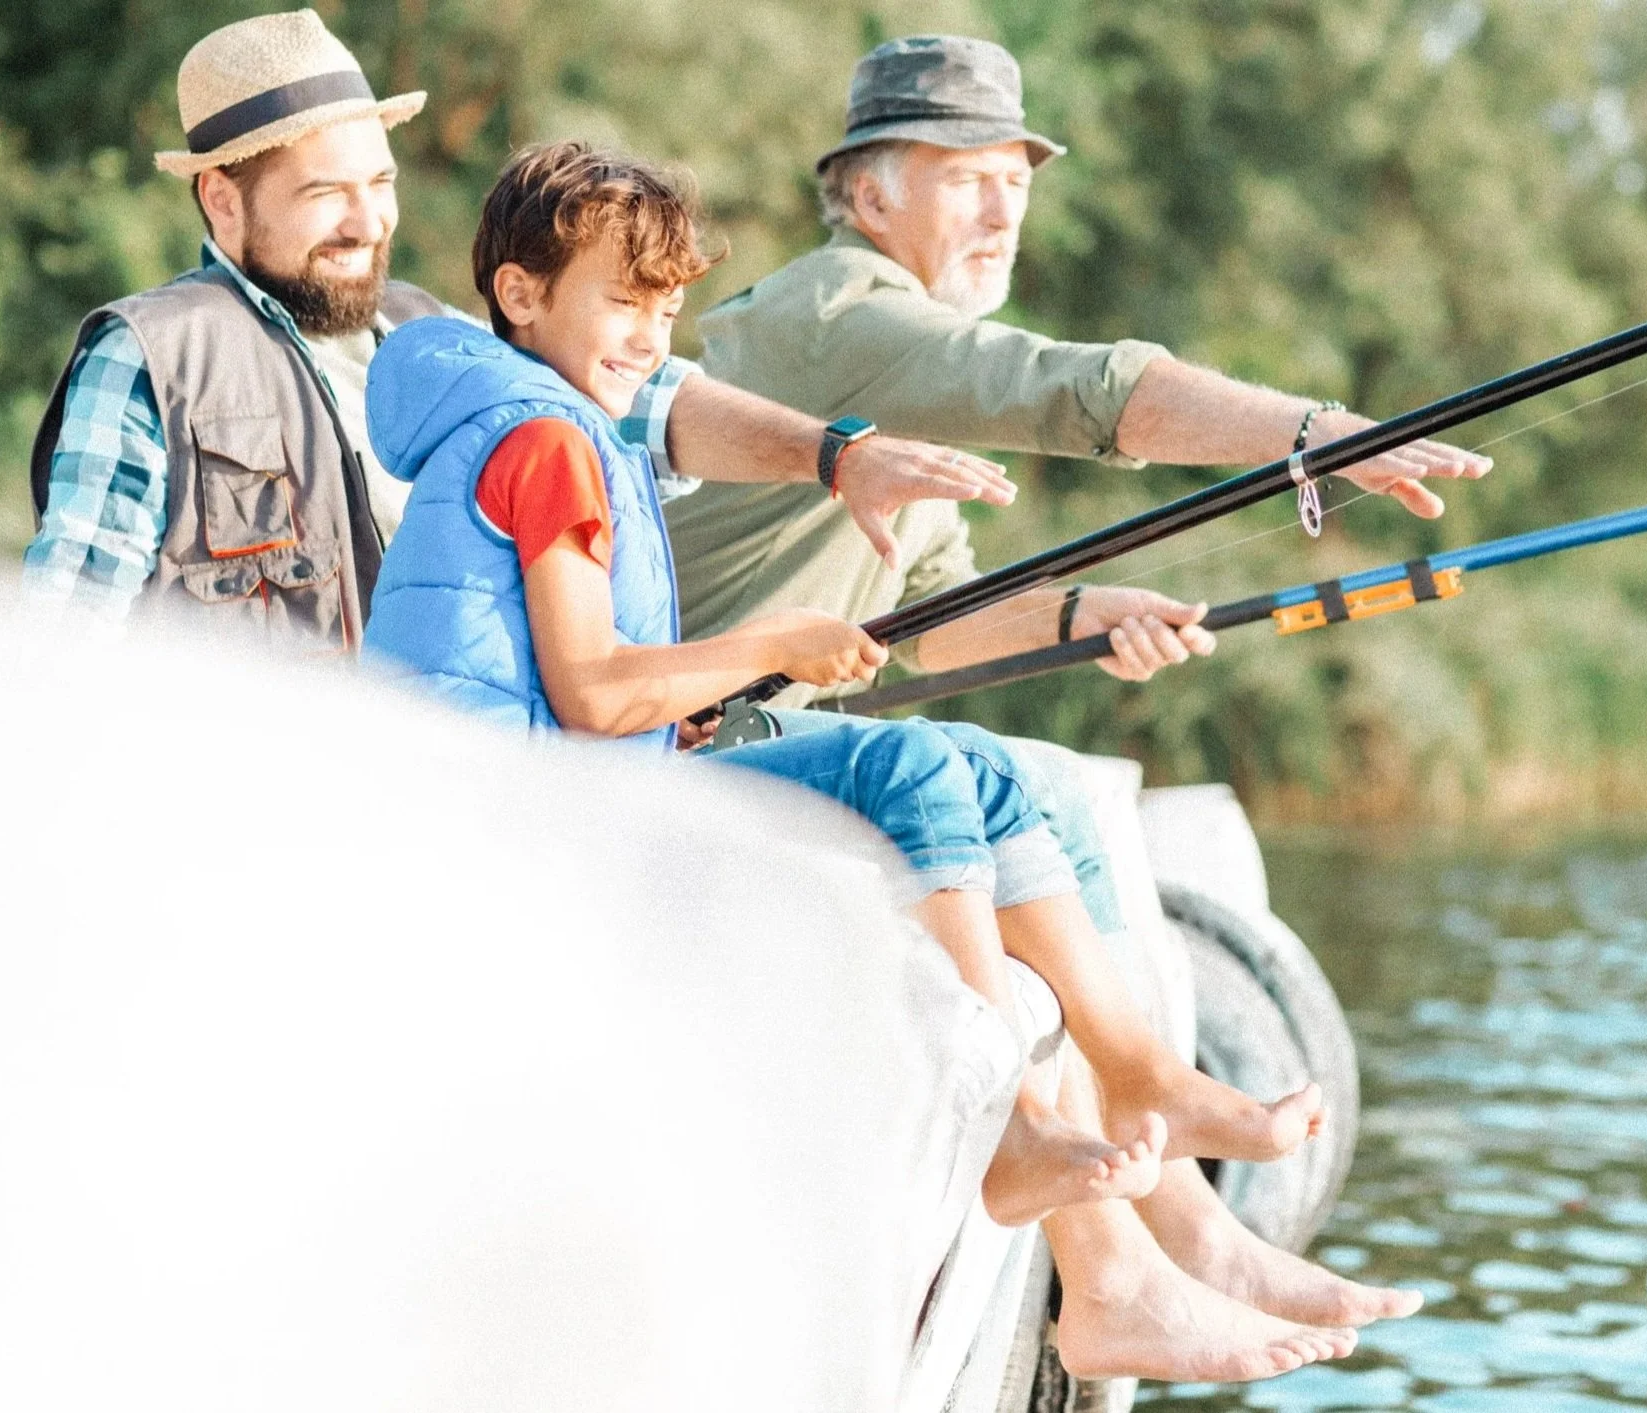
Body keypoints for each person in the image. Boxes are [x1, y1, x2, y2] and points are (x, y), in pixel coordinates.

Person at [360, 140, 1362, 1381]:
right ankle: (1016, 1120)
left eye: (666, 310)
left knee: (977, 773)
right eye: (623, 303)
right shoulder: (546, 442)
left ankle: (1141, 1069)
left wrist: (1064, 611)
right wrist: (766, 644)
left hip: (592, 766)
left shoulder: (560, 421)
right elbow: (594, 690)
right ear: (520, 297)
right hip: (549, 800)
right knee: (921, 774)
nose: (647, 340)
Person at [665, 32, 1483, 1332]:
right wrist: (1312, 435)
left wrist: (1086, 618)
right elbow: (1073, 393)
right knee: (1009, 781)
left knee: (1051, 782)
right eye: (964, 175)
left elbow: (936, 621)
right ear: (869, 195)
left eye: (1017, 179)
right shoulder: (842, 316)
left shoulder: (890, 351)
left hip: (781, 716)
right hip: (697, 726)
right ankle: (1138, 1207)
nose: (1002, 207)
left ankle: (1191, 1235)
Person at [24, 9, 1014, 644]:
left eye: (380, 183)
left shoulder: (424, 332)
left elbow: (646, 399)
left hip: (452, 804)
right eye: (326, 193)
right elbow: (67, 626)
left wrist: (837, 458)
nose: (369, 224)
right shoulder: (154, 353)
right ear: (222, 202)